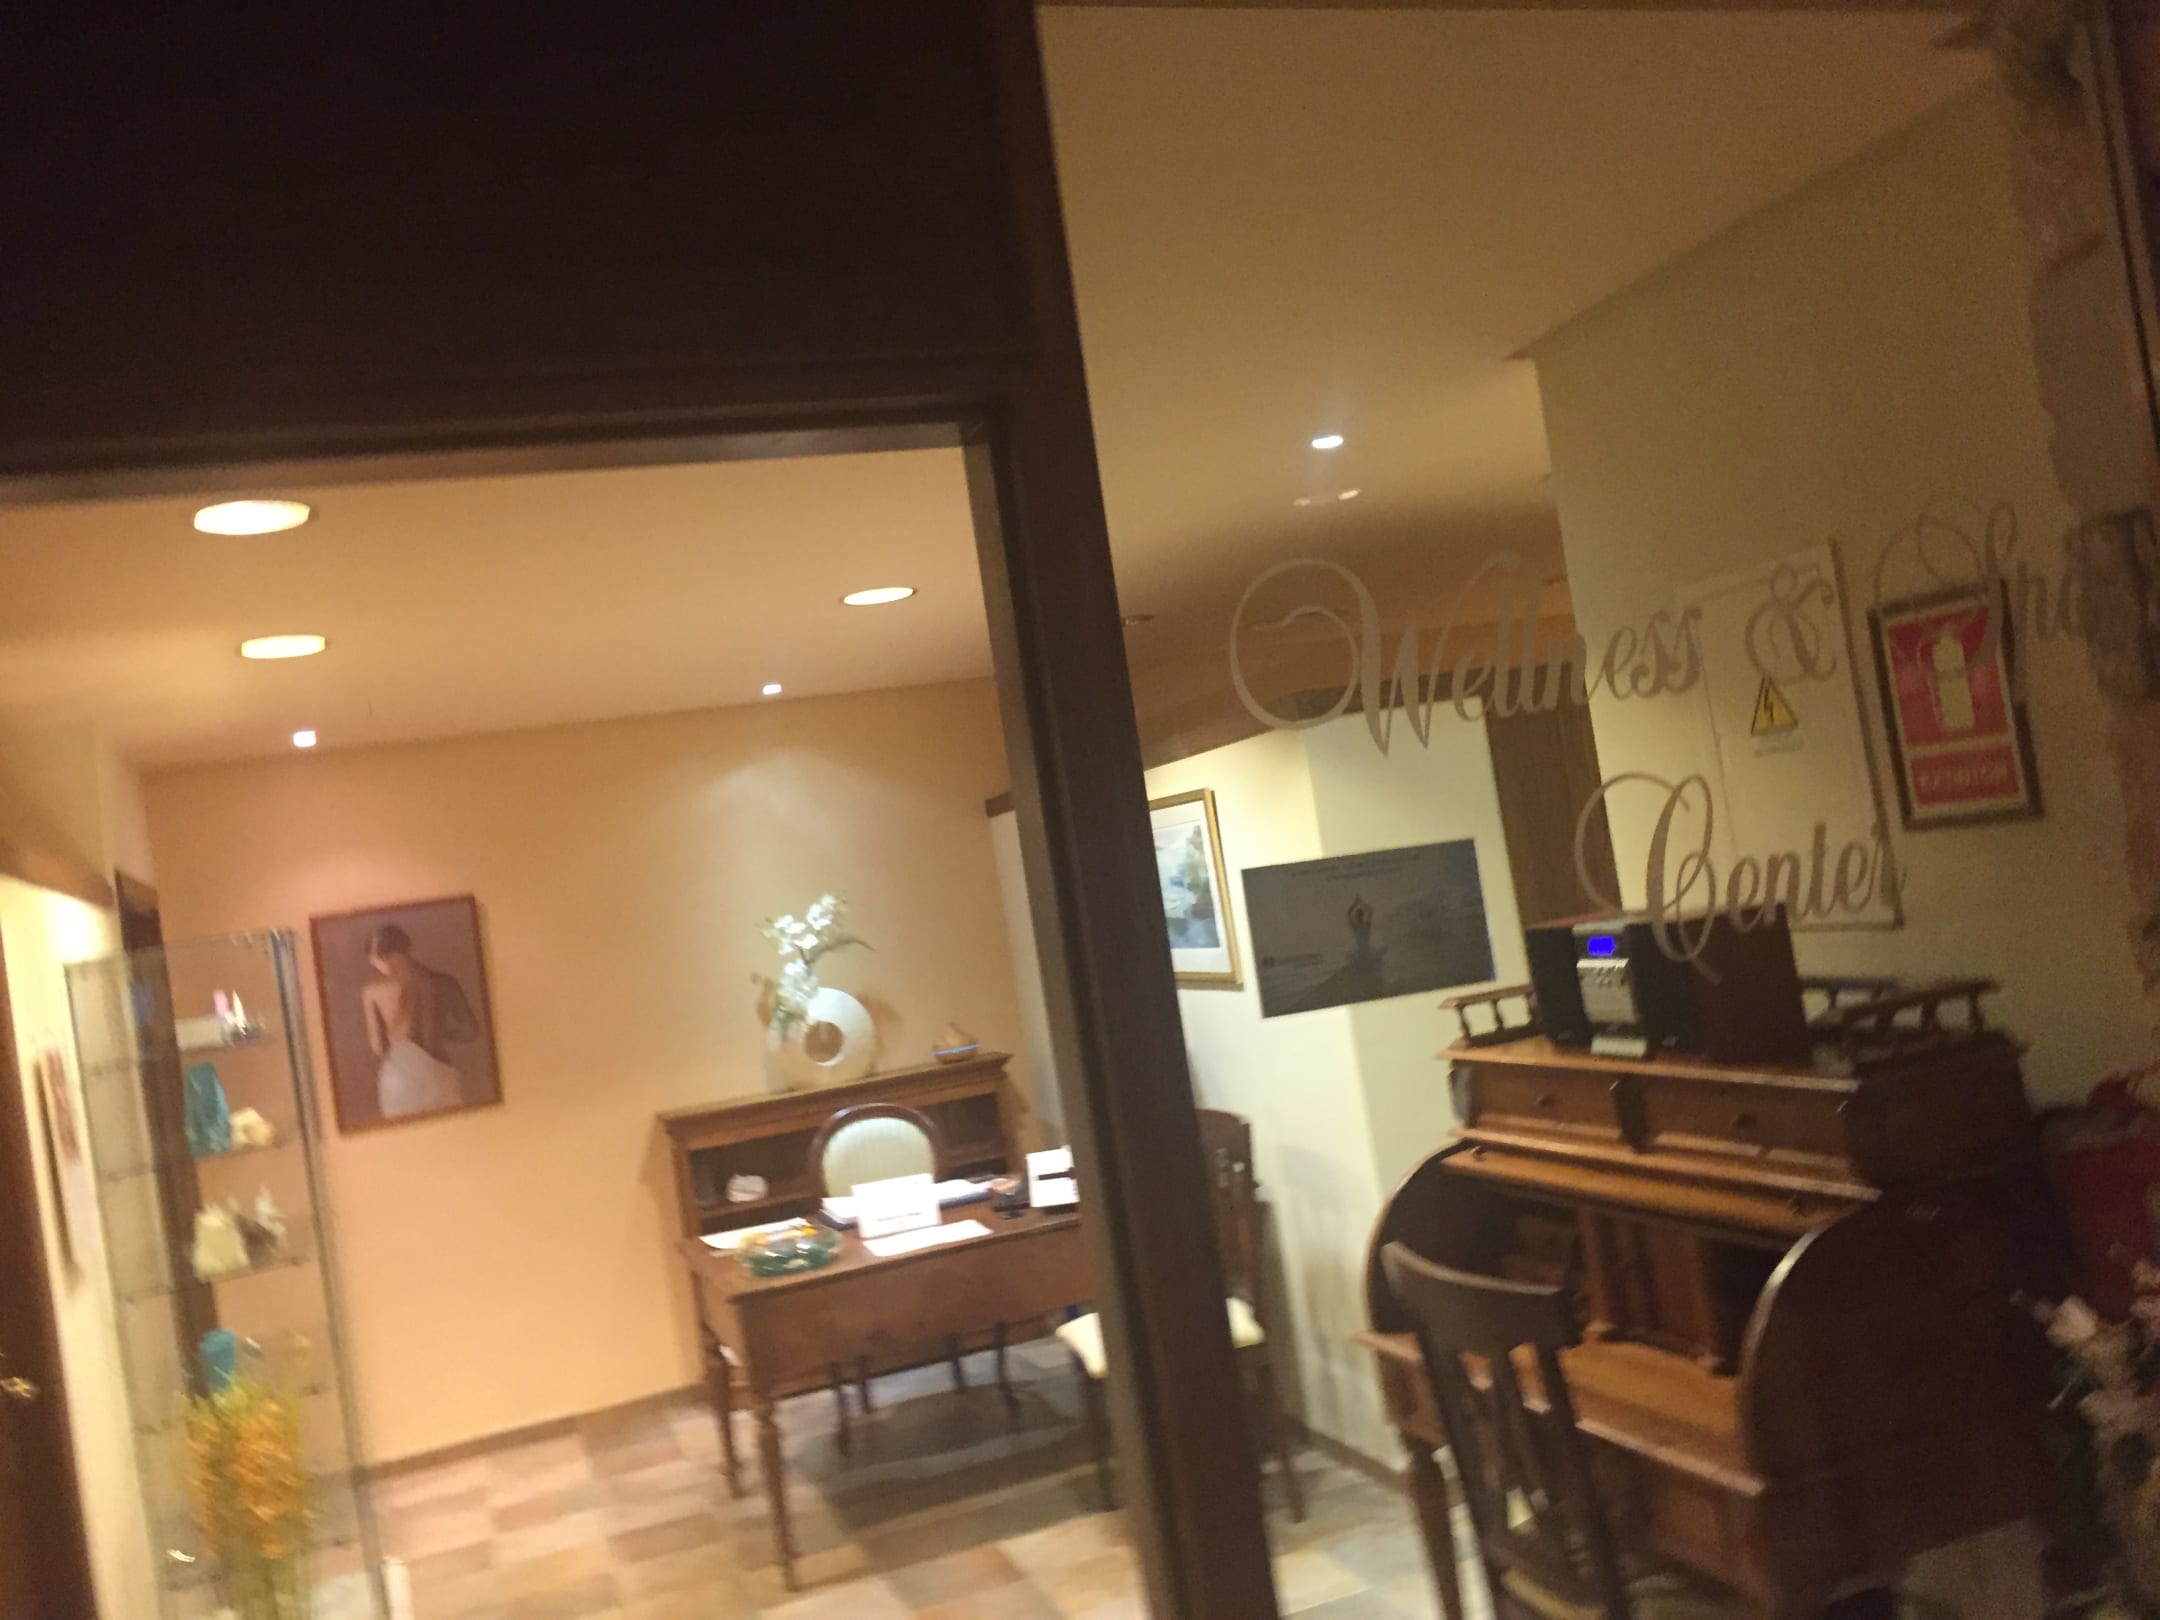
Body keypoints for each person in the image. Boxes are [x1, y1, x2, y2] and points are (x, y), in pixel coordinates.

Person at [363, 925, 478, 1120]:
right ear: (407, 948)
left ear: (378, 958)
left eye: (375, 962)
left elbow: (379, 1047)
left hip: (398, 1079)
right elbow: (470, 1031)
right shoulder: (445, 982)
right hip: (439, 1073)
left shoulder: (373, 991)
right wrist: (439, 1034)